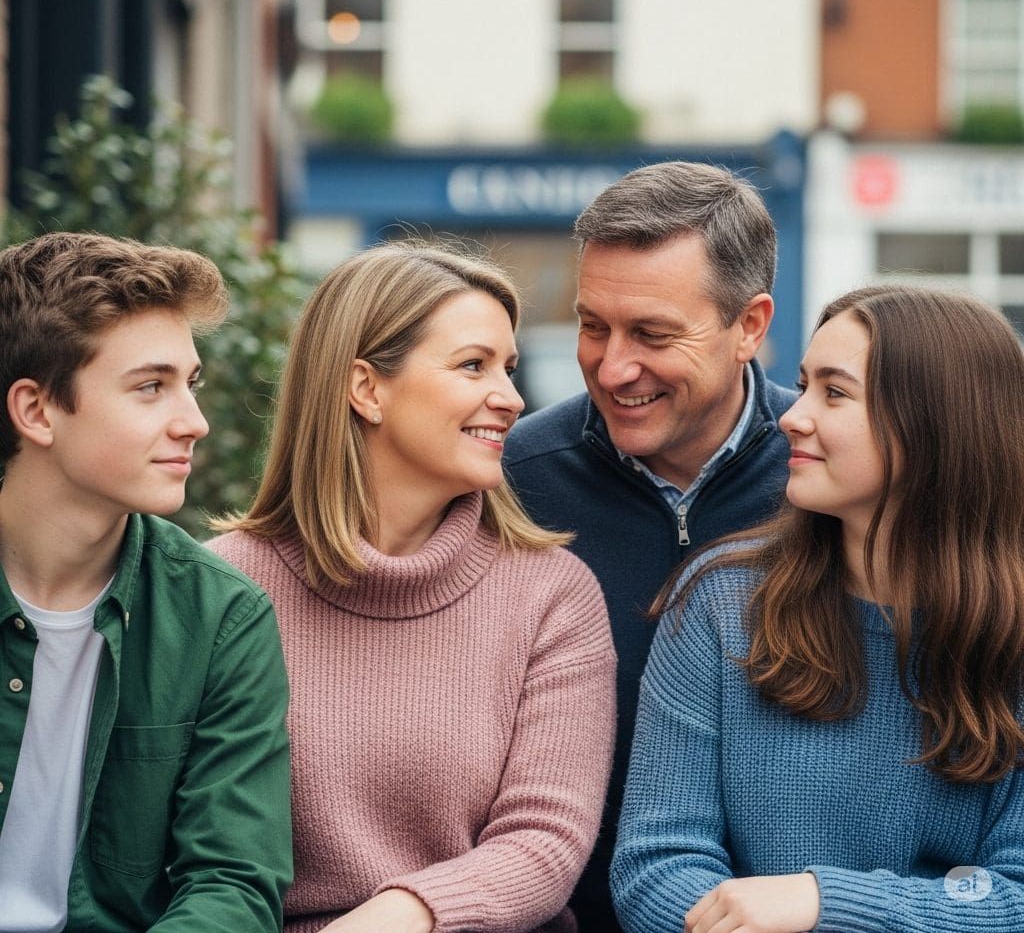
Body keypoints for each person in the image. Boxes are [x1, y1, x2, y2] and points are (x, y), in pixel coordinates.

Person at [208, 242, 617, 933]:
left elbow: (544, 841)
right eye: (472, 366)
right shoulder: (221, 587)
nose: (512, 400)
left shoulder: (552, 596)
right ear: (366, 388)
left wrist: (400, 915)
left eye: (508, 369)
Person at [611, 285, 1024, 933]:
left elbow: (1014, 896)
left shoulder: (1012, 634)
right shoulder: (721, 603)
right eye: (803, 386)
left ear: (934, 423)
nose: (791, 416)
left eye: (833, 393)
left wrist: (822, 904)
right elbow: (657, 868)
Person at [503, 161, 796, 927]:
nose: (612, 365)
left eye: (652, 334)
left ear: (751, 326)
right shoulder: (511, 481)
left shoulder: (833, 475)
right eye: (592, 325)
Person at [0, 232, 292, 932]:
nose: (194, 422)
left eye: (189, 385)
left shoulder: (223, 616)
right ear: (36, 410)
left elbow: (232, 883)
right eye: (150, 387)